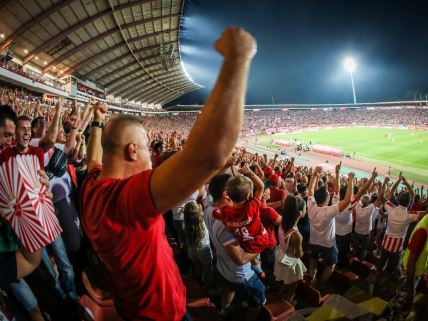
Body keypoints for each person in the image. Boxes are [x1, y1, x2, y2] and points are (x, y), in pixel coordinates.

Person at [81, 27, 257, 321]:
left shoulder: (92, 185)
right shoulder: (126, 201)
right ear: (133, 151)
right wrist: (238, 57)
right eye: (148, 148)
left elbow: (92, 159)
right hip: (162, 315)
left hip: (132, 306)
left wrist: (97, 124)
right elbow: (210, 155)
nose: (152, 157)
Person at [205, 174, 265, 321]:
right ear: (226, 194)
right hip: (240, 275)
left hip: (223, 267)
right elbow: (240, 258)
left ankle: (224, 311)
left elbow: (215, 184)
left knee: (229, 288)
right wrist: (262, 245)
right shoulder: (224, 226)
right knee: (258, 302)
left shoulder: (208, 208)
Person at [213, 164, 269, 277]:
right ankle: (259, 272)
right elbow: (261, 186)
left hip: (243, 243)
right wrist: (250, 173)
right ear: (249, 196)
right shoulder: (252, 207)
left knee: (255, 261)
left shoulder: (225, 212)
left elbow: (217, 213)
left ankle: (258, 270)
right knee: (256, 259)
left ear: (227, 195)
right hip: (260, 240)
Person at [307, 166, 354, 283]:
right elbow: (348, 200)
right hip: (328, 244)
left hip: (313, 241)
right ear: (327, 199)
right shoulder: (328, 211)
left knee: (313, 261)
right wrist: (351, 179)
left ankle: (311, 281)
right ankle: (321, 284)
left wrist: (315, 174)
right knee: (331, 265)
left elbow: (310, 190)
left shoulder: (310, 206)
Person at [274, 195, 307, 303]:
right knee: (293, 284)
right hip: (290, 262)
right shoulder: (296, 235)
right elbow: (299, 254)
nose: (306, 210)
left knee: (285, 280)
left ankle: (279, 295)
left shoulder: (282, 223)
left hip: (281, 256)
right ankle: (289, 303)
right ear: (300, 213)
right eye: (305, 208)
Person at [183, 201, 216, 294]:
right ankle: (208, 289)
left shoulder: (185, 224)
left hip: (191, 249)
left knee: (198, 269)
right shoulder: (204, 221)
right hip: (204, 250)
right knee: (209, 271)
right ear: (198, 213)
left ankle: (199, 284)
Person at [352, 177, 388, 261]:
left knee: (355, 248)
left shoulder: (357, 206)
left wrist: (370, 180)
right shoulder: (370, 209)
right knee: (364, 249)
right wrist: (383, 185)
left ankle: (352, 260)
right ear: (369, 203)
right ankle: (360, 261)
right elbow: (379, 198)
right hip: (366, 234)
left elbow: (360, 193)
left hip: (357, 232)